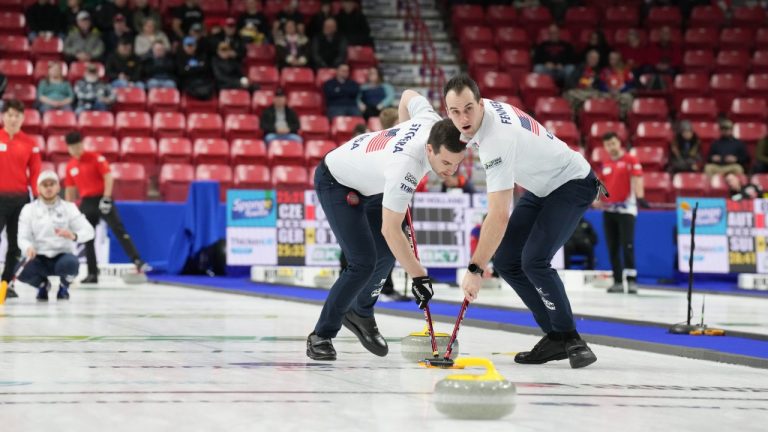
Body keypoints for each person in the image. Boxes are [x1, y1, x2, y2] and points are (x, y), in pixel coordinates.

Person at [441, 74, 599, 369]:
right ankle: (555, 336)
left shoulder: (496, 139)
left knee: (534, 260)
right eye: (455, 111)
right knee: (507, 260)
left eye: (468, 109)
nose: (463, 118)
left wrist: (475, 268)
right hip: (541, 187)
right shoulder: (482, 112)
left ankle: (570, 337)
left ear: (480, 103)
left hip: (572, 182)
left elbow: (498, 215)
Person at [306, 90, 466, 361]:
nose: (451, 171)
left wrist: (402, 126)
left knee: (386, 253)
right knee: (362, 262)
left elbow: (407, 95)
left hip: (373, 182)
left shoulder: (431, 118)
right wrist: (419, 276)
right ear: (429, 149)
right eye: (446, 162)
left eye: (458, 163)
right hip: (336, 181)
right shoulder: (406, 166)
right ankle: (321, 335)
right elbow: (390, 230)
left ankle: (361, 313)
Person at [63, 131, 149, 284]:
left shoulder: (96, 158)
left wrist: (107, 198)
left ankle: (137, 261)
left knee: (118, 229)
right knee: (87, 238)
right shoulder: (70, 166)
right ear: (68, 148)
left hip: (102, 199)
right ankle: (92, 273)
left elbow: (108, 176)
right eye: (72, 147)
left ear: (82, 144)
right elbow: (70, 189)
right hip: (86, 202)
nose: (76, 150)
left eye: (78, 146)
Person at [17, 170, 94, 301]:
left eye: (52, 184)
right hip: (38, 257)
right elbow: (22, 238)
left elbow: (89, 231)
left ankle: (64, 287)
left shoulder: (69, 208)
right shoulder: (28, 209)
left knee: (72, 264)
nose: (48, 188)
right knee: (18, 270)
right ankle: (42, 285)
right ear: (38, 188)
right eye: (44, 185)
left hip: (62, 256)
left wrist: (74, 235)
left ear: (58, 187)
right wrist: (28, 247)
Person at [0, 100, 42, 299]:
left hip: (20, 201)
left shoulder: (30, 144)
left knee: (16, 244)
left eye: (17, 115)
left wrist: (39, 199)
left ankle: (6, 284)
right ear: (3, 116)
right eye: (10, 115)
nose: (13, 119)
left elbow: (35, 174)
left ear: (23, 118)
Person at [598, 132, 648, 294]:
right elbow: (602, 186)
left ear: (619, 143)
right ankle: (618, 281)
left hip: (627, 211)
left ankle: (632, 281)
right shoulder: (605, 163)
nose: (611, 147)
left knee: (627, 245)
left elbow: (637, 178)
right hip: (609, 211)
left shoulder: (630, 160)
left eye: (613, 143)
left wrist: (640, 197)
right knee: (612, 247)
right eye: (607, 145)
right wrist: (598, 200)